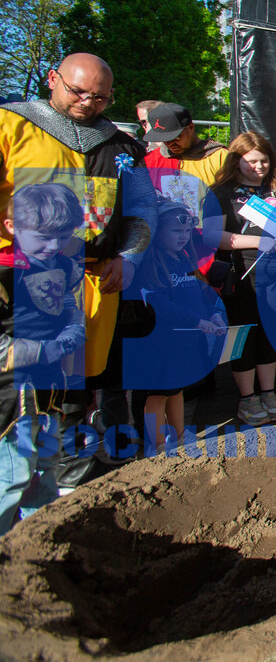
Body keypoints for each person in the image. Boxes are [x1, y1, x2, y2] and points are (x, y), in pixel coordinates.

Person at [0, 53, 153, 484]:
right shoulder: (10, 126)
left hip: (93, 281)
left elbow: (142, 208)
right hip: (20, 283)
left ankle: (68, 478)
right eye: (78, 91)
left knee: (79, 388)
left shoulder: (123, 145)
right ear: (53, 79)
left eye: (101, 98)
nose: (89, 102)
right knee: (22, 386)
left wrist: (130, 256)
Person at [0, 184, 85, 534]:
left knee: (46, 468)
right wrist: (43, 349)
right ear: (11, 228)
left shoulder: (63, 264)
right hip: (10, 392)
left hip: (50, 386)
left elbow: (64, 301)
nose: (53, 246)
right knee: (14, 474)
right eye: (44, 237)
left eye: (63, 237)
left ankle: (38, 539)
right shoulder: (5, 273)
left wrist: (74, 326)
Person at [206, 132, 276, 426]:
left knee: (269, 333)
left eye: (264, 161)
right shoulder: (220, 193)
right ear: (236, 161)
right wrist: (254, 243)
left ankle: (269, 392)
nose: (259, 167)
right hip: (241, 277)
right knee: (244, 336)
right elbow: (211, 236)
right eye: (252, 162)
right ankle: (248, 398)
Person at [134, 201, 226, 449]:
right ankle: (157, 444)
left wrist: (213, 315)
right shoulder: (150, 264)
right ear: (157, 232)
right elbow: (160, 305)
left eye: (186, 232)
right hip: (161, 343)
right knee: (158, 394)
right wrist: (197, 321)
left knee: (176, 389)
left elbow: (198, 293)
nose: (183, 236)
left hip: (186, 341)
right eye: (176, 231)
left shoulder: (185, 259)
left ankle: (180, 435)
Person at [143, 103, 227, 212]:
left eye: (176, 137)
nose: (170, 144)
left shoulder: (220, 158)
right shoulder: (151, 160)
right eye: (165, 139)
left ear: (191, 127)